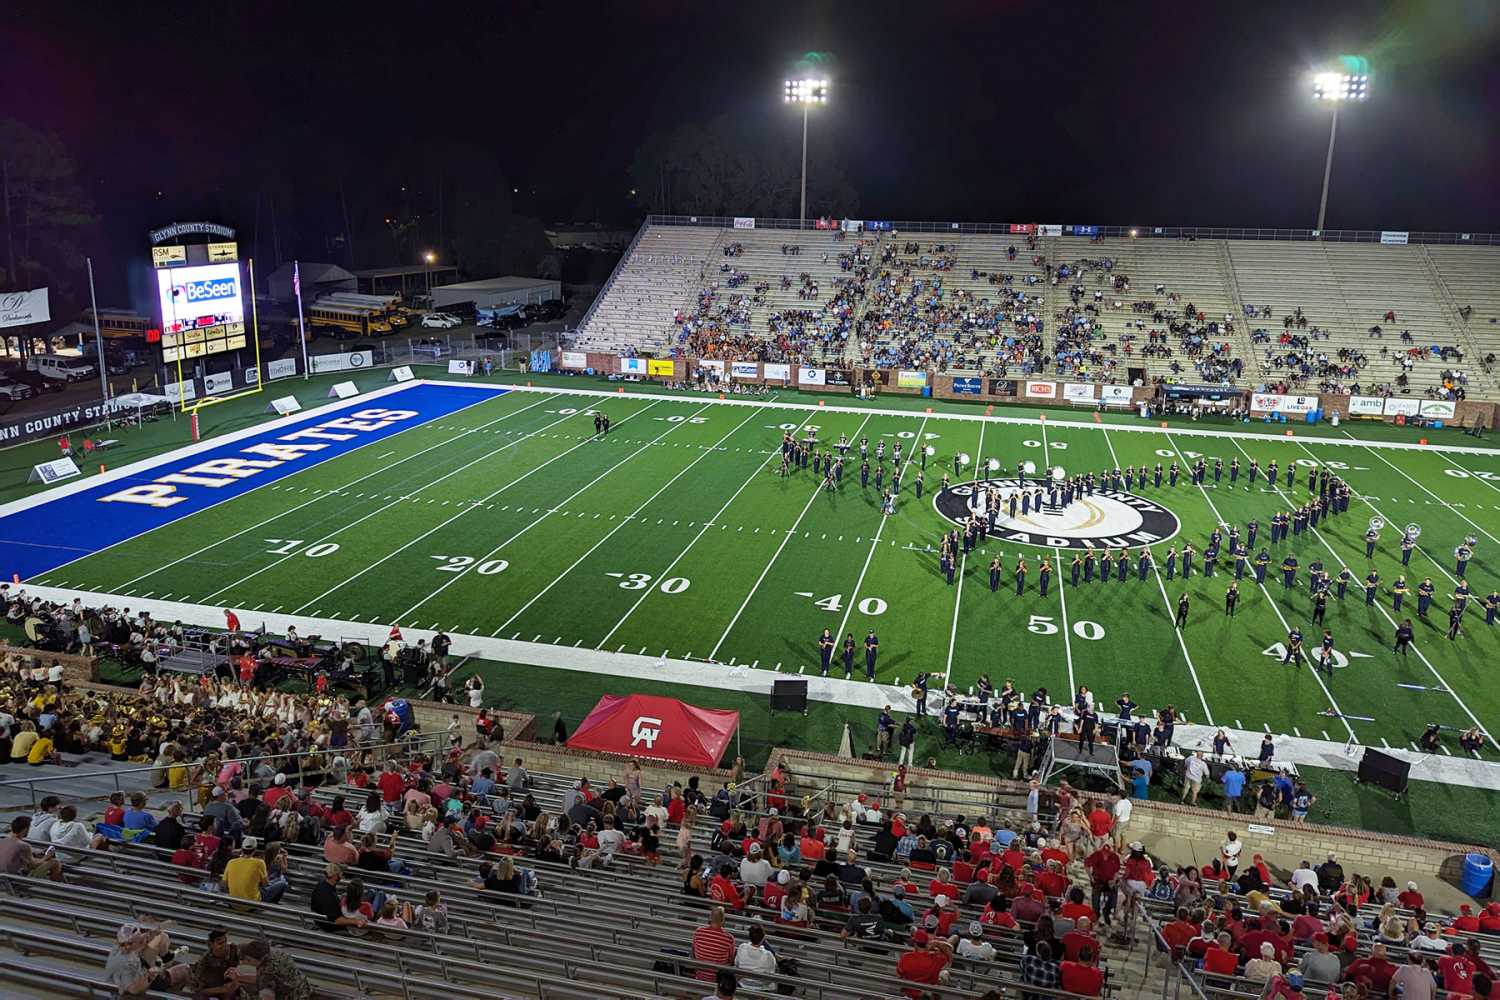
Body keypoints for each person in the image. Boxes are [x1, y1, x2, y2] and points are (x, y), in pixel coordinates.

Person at [105, 921, 192, 995]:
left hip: (127, 984)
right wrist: (150, 976)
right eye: (140, 942)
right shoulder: (127, 962)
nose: (143, 943)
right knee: (185, 969)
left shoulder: (119, 951)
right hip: (143, 985)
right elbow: (133, 989)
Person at [233, 938, 312, 1000]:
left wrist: (238, 980)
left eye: (249, 960)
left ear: (262, 959)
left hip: (296, 991)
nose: (246, 962)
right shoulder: (265, 951)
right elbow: (242, 948)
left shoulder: (271, 967)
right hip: (291, 981)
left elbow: (257, 985)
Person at [896, 929, 953, 997]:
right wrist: (938, 944)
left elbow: (899, 976)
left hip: (909, 995)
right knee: (944, 974)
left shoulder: (905, 957)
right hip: (928, 995)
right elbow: (949, 960)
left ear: (915, 943)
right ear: (926, 943)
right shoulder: (936, 958)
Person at [691, 906, 736, 984]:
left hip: (700, 975)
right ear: (723, 920)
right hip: (719, 979)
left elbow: (693, 952)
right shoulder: (729, 938)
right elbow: (731, 960)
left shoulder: (698, 932)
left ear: (710, 918)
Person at [734, 922, 779, 992]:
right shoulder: (768, 955)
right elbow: (772, 973)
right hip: (761, 987)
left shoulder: (742, 947)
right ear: (763, 938)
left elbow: (736, 965)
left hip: (743, 983)